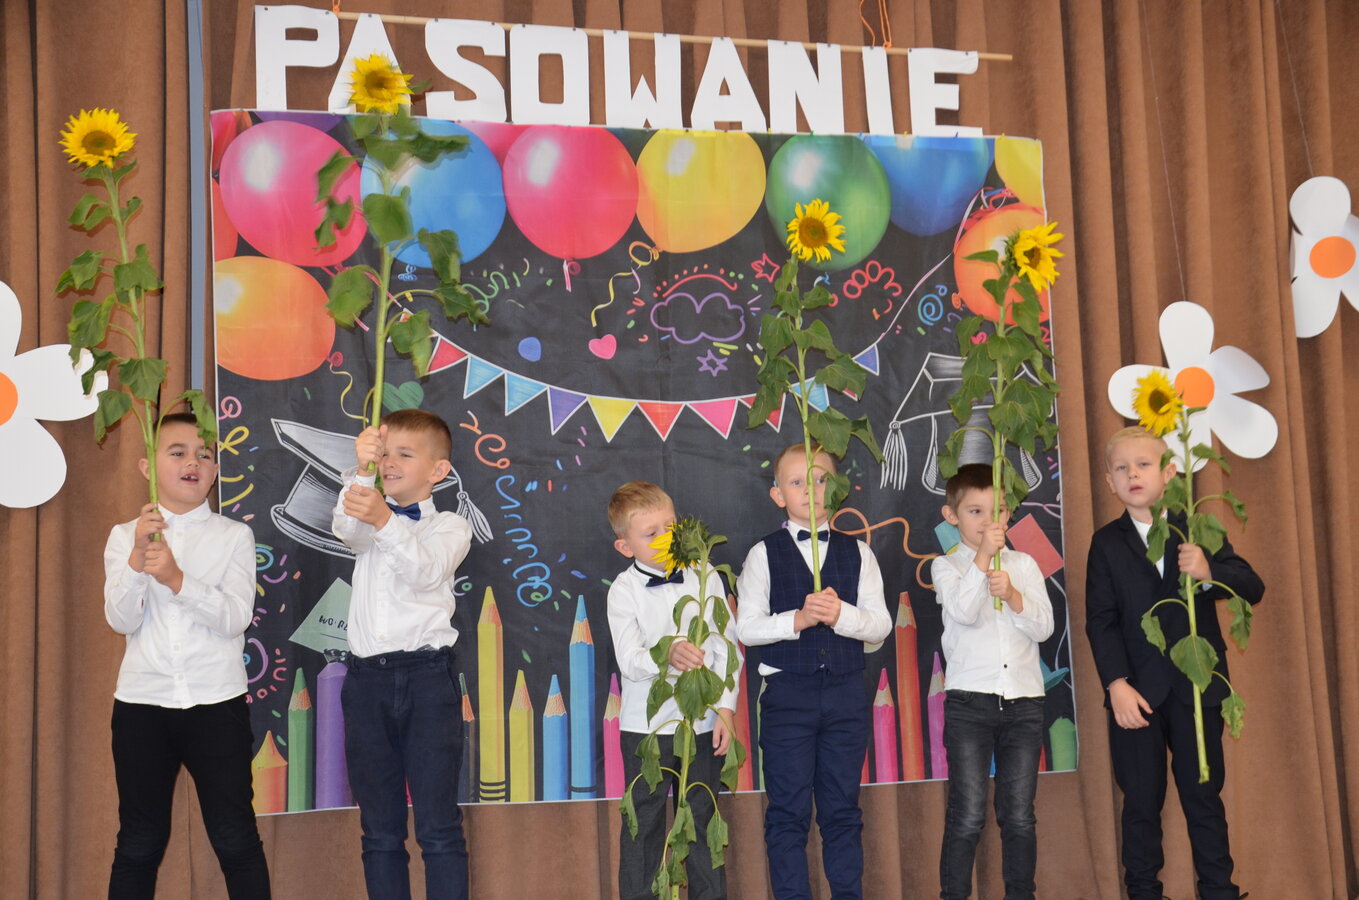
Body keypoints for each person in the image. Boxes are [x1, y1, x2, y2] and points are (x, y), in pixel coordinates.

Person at [1086, 426, 1264, 900]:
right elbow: (1100, 621)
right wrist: (1116, 684)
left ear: (1169, 472)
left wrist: (1208, 571)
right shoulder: (1105, 544)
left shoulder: (1197, 529)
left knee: (1204, 797)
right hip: (1136, 696)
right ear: (1109, 482)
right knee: (1141, 802)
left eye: (1143, 464)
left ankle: (1219, 890)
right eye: (1121, 468)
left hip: (1197, 687)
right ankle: (1144, 891)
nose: (1132, 474)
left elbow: (1252, 586)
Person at [103, 412, 271, 899]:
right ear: (147, 466)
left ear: (216, 471)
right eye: (177, 452)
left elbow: (235, 618)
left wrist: (178, 580)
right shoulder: (124, 536)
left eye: (205, 454)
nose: (193, 462)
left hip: (216, 704)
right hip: (141, 704)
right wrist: (137, 562)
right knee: (139, 841)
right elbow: (120, 620)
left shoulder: (233, 536)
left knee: (236, 837)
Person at [735, 444, 892, 900]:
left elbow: (880, 625)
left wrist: (842, 614)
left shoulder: (859, 552)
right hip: (787, 697)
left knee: (842, 812)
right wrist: (798, 620)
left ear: (837, 488)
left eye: (821, 479)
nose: (810, 489)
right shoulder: (763, 554)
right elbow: (747, 628)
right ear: (778, 494)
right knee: (787, 813)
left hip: (846, 695)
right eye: (797, 481)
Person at [331, 409, 473, 900]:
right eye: (385, 453)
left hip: (427, 679)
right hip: (366, 683)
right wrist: (362, 472)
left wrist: (385, 519)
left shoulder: (451, 526)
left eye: (404, 455)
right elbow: (348, 530)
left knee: (439, 827)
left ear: (438, 470)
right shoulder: (370, 516)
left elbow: (425, 572)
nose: (390, 463)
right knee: (379, 830)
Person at [606, 481, 741, 900]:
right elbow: (629, 660)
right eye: (651, 534)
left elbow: (726, 647)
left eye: (671, 527)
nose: (665, 539)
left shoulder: (706, 576)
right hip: (647, 730)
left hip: (701, 724)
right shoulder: (623, 591)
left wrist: (725, 709)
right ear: (625, 546)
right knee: (642, 826)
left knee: (702, 820)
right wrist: (666, 653)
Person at [932, 464, 1053, 900]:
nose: (988, 521)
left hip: (1023, 702)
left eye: (996, 511)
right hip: (970, 704)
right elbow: (963, 612)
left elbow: (1044, 628)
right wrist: (982, 560)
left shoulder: (1024, 564)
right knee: (967, 814)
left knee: (1019, 815)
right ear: (952, 516)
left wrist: (1014, 596)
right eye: (975, 511)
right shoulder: (946, 566)